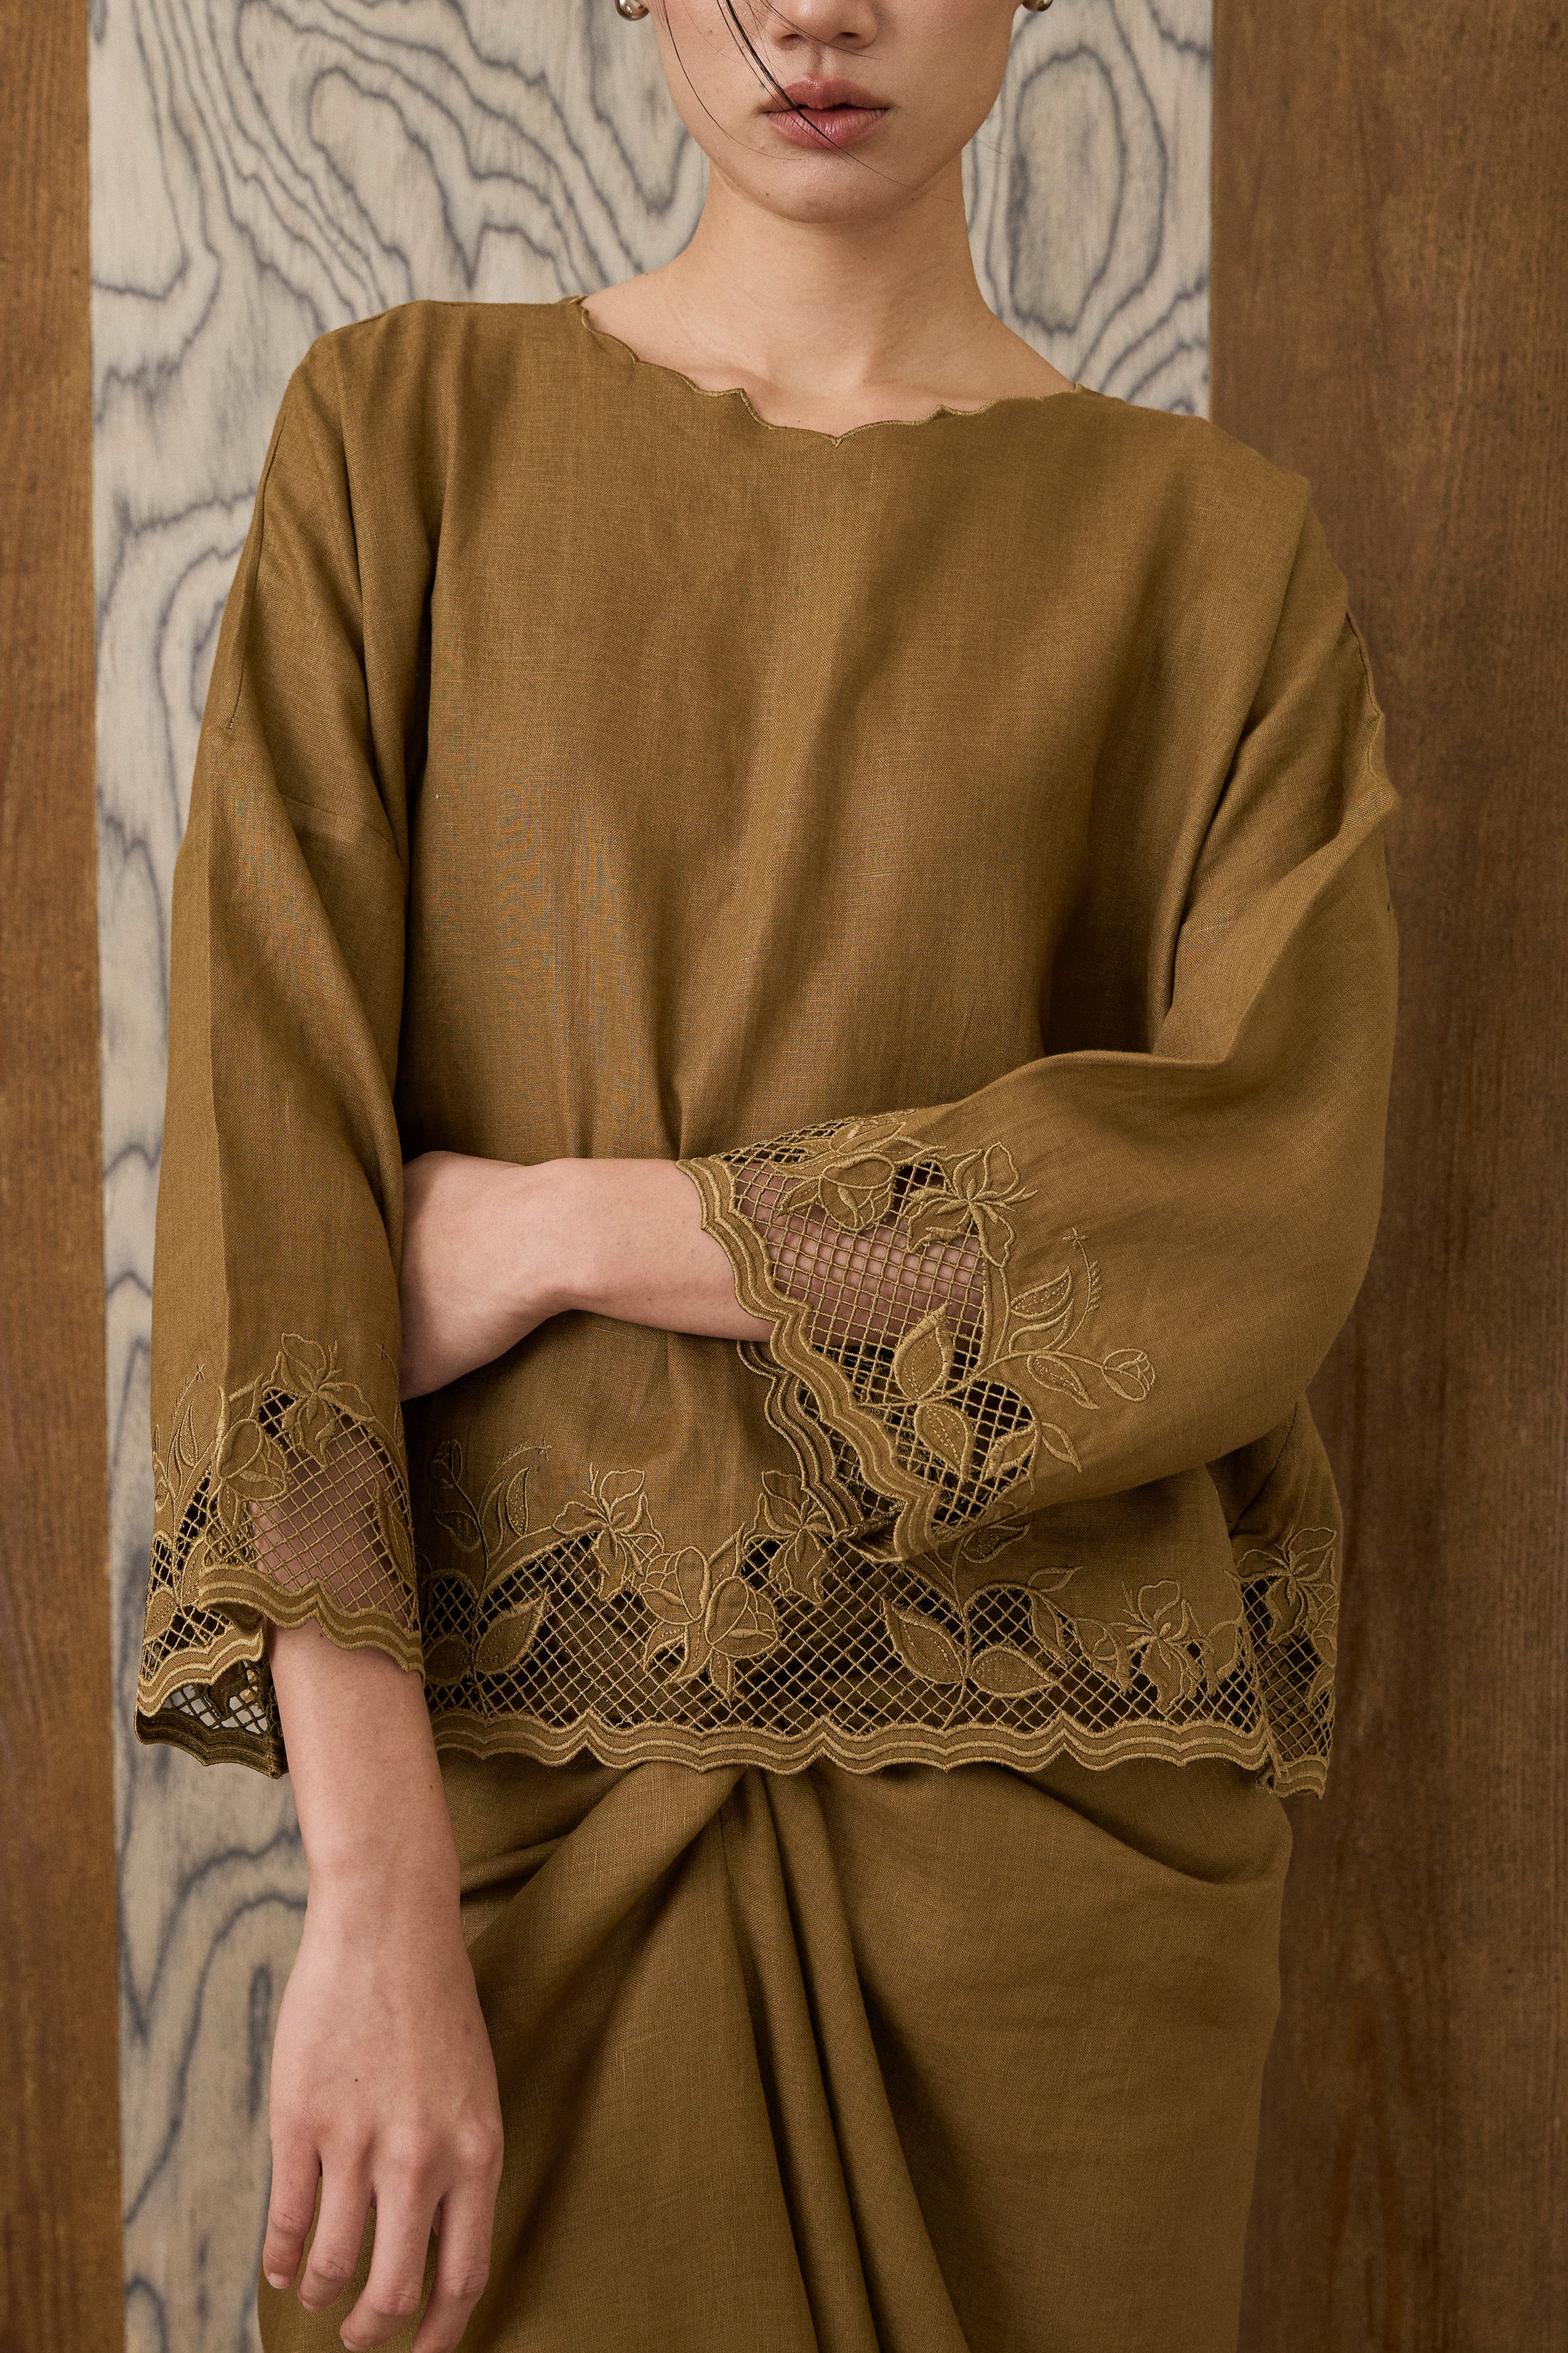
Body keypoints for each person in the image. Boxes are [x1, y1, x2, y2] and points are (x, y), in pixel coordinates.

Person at [137, 3, 1399, 2348]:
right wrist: (373, 1894)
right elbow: (268, 1177)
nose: (816, 15)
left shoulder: (1218, 558)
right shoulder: (401, 440)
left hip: (1052, 1910)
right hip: (503, 1852)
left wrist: (569, 1226)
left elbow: (1253, 1204)